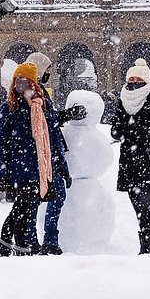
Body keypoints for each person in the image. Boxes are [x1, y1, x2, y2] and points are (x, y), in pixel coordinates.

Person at [0, 60, 80, 256]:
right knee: (21, 209)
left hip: (40, 169)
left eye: (24, 81)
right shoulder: (9, 108)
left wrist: (63, 170)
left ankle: (14, 248)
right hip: (19, 169)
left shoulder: (43, 105)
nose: (19, 85)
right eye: (17, 81)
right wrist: (1, 174)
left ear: (33, 83)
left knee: (24, 209)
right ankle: (16, 248)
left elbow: (54, 140)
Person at [26, 51, 86, 254]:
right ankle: (42, 241)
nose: (49, 73)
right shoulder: (33, 95)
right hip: (43, 155)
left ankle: (38, 241)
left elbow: (49, 121)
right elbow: (48, 124)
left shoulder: (38, 92)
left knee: (46, 198)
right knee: (45, 198)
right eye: (48, 70)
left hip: (46, 155)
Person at [111, 58, 150, 253]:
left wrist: (135, 130)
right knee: (137, 205)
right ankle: (147, 245)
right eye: (131, 78)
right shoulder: (123, 102)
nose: (134, 81)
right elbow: (115, 131)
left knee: (145, 203)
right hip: (129, 161)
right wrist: (126, 131)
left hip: (148, 160)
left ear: (145, 81)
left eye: (138, 79)